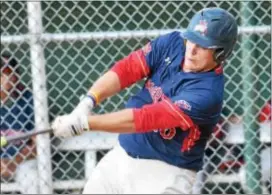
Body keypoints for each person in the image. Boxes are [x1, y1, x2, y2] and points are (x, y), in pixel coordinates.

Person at [52, 7, 238, 194]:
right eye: (191, 39)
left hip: (166, 172)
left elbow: (145, 119)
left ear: (221, 54)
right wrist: (88, 102)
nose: (192, 49)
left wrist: (85, 123)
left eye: (203, 46)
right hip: (122, 155)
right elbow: (127, 69)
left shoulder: (207, 93)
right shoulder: (173, 43)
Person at [0, 53, 36, 179]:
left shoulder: (28, 99)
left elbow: (37, 144)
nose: (11, 77)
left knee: (31, 176)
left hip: (23, 161)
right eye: (5, 72)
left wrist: (14, 162)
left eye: (14, 72)